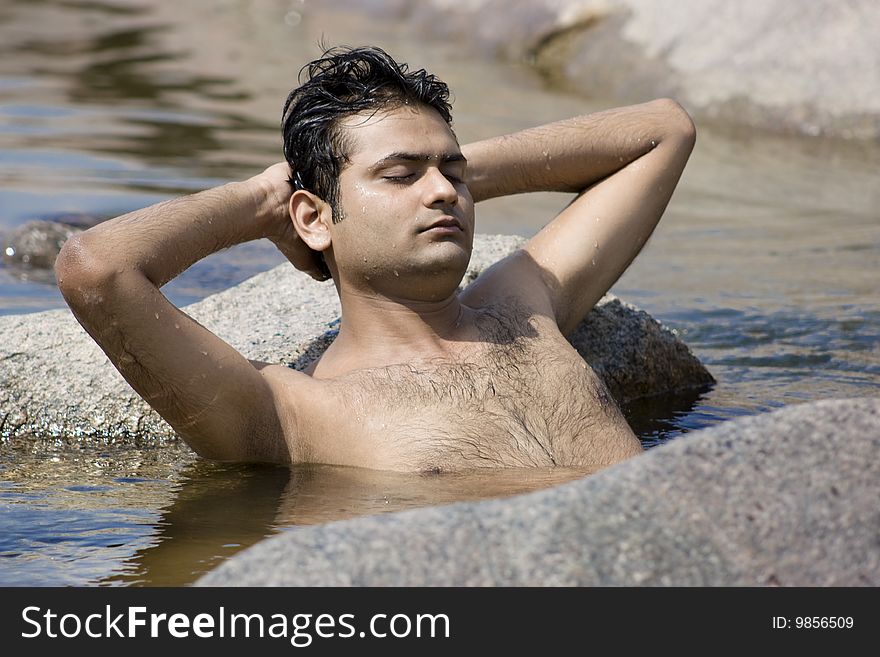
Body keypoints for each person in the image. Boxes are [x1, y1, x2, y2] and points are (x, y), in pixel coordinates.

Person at [55, 46, 696, 473]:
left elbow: (664, 130)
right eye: (400, 175)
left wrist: (444, 171)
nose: (443, 192)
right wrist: (264, 199)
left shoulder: (523, 306)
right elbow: (96, 269)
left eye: (453, 172)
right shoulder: (291, 414)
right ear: (312, 217)